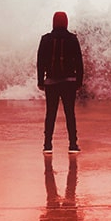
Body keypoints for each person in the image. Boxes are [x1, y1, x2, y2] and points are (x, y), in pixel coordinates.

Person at [36, 11, 84, 154]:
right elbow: (79, 63)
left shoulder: (45, 39)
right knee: (70, 114)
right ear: (66, 22)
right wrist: (79, 81)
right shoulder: (72, 39)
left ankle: (47, 145)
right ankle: (73, 145)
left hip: (51, 82)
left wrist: (40, 81)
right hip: (69, 82)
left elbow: (40, 62)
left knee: (50, 114)